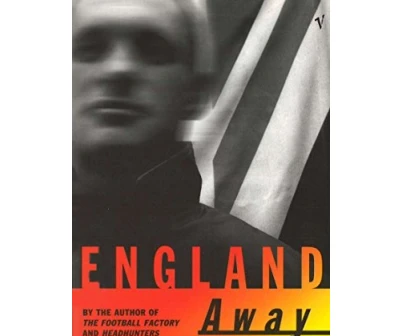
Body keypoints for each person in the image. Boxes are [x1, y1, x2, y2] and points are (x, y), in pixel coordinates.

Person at [72, 0, 301, 288]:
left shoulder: (276, 284)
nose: (118, 69)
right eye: (91, 49)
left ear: (195, 92)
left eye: (153, 51)